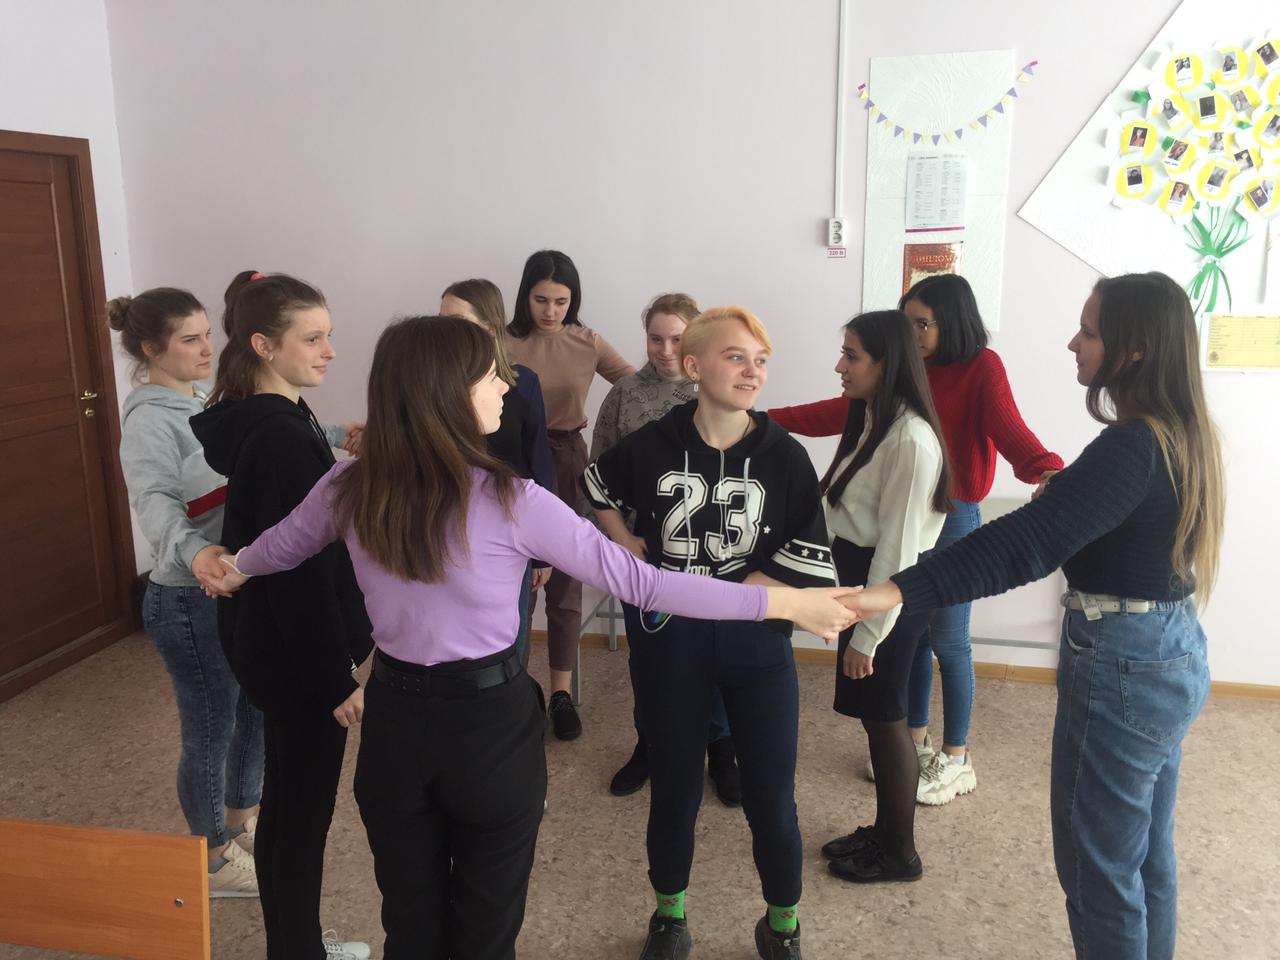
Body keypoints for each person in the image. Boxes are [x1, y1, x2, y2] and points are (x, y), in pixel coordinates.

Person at [209, 315, 856, 960]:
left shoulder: (350, 485)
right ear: (445, 391)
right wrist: (782, 601)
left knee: (409, 925)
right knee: (486, 932)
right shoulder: (513, 499)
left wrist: (229, 566)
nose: (506, 385)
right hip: (488, 730)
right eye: (490, 375)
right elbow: (647, 585)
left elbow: (274, 549)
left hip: (396, 726)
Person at [843, 272, 1222, 960]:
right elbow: (1092, 525)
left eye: (1089, 331)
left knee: (1099, 868)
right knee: (1143, 856)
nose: (1073, 343)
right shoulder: (1179, 434)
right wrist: (1067, 492)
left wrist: (896, 589)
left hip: (1125, 663)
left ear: (1134, 349)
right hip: (1169, 647)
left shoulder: (1133, 446)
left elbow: (1026, 544)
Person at [584, 307, 838, 960]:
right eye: (735, 357)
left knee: (772, 800)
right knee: (674, 790)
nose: (752, 372)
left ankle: (782, 924)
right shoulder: (653, 443)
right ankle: (669, 916)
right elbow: (595, 484)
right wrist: (625, 542)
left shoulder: (785, 456)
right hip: (671, 649)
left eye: (761, 360)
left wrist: (734, 596)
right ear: (694, 366)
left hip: (758, 652)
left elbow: (805, 559)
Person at [770, 274, 1062, 805]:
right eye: (906, 323)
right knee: (914, 639)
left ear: (952, 322)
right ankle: (916, 742)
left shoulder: (980, 367)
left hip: (952, 516)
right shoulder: (900, 373)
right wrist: (764, 420)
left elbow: (1009, 429)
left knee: (949, 638)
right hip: (902, 512)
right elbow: (836, 412)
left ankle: (956, 756)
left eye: (921, 324)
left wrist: (1048, 470)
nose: (912, 334)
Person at [191, 271, 372, 960]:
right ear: (265, 346)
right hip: (297, 660)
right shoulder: (282, 437)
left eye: (329, 335)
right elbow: (299, 573)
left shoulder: (276, 419)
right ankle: (297, 950)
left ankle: (294, 945)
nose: (330, 351)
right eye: (313, 338)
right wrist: (333, 680)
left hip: (274, 646)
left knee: (290, 807)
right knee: (300, 816)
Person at [110, 287, 263, 897]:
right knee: (210, 729)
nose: (207, 349)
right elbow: (155, 503)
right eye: (190, 339)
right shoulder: (149, 420)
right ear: (151, 349)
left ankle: (241, 823)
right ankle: (211, 860)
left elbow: (255, 432)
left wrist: (333, 432)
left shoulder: (200, 399)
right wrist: (195, 551)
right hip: (187, 599)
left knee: (253, 709)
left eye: (207, 334)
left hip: (232, 585)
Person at [814, 310, 950, 885]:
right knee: (876, 718)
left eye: (852, 356)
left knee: (889, 719)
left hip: (888, 597)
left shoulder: (912, 441)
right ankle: (885, 830)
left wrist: (867, 635)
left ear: (886, 363)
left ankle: (901, 852)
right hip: (865, 587)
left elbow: (897, 551)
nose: (840, 366)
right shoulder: (875, 419)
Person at [591, 292, 741, 805]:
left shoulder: (717, 390)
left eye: (677, 338)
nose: (665, 349)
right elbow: (598, 474)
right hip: (643, 552)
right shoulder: (625, 395)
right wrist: (619, 539)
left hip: (709, 553)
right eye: (656, 338)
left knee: (712, 652)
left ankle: (720, 748)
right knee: (650, 654)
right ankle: (650, 743)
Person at [504, 250, 636, 740]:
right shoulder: (501, 341)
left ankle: (560, 692)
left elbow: (638, 387)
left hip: (565, 460)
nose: (551, 311)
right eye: (541, 299)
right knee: (512, 580)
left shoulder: (587, 341)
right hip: (511, 465)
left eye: (561, 301)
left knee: (564, 581)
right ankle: (514, 689)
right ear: (525, 295)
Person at [441, 278, 553, 665]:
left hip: (509, 526)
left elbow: (537, 461)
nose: (443, 331)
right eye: (441, 320)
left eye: (456, 321)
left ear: (489, 326)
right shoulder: (435, 385)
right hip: (447, 524)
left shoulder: (523, 384)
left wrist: (543, 551)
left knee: (511, 633)